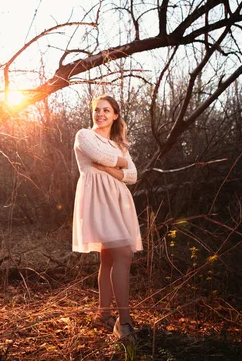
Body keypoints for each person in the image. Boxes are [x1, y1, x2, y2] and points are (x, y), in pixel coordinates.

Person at [72, 95, 142, 340]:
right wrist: (119, 165)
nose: (100, 114)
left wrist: (113, 166)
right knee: (124, 252)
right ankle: (124, 323)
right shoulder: (84, 135)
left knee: (109, 257)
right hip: (97, 200)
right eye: (97, 110)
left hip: (117, 201)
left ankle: (103, 314)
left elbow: (133, 176)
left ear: (115, 114)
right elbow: (98, 157)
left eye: (106, 110)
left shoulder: (118, 145)